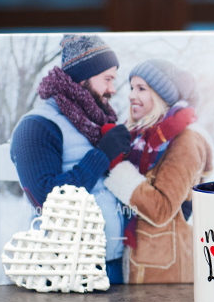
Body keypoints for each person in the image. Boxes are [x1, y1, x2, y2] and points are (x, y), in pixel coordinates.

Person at [10, 34, 131, 283]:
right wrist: (101, 156)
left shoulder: (95, 121)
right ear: (82, 77)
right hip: (66, 272)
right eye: (107, 79)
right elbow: (47, 199)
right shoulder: (37, 126)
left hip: (114, 263)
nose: (113, 89)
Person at [104, 59, 213, 284]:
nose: (132, 95)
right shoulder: (139, 137)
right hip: (138, 261)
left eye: (141, 89)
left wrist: (119, 172)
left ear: (161, 95)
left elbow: (162, 209)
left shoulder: (186, 140)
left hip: (164, 271)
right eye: (132, 88)